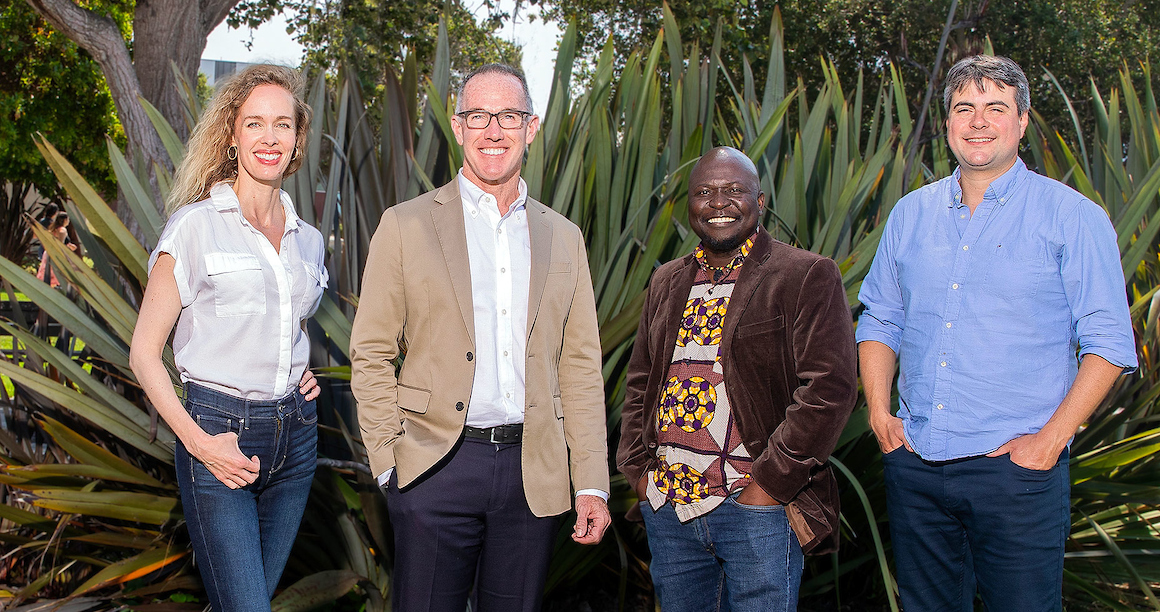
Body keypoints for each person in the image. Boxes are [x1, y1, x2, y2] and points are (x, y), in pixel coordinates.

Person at [856, 55, 1137, 611]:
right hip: (917, 463)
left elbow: (1108, 343)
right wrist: (879, 416)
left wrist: (1049, 443)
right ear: (948, 124)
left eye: (995, 107)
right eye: (965, 107)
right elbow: (881, 317)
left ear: (1023, 121)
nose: (978, 121)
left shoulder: (1073, 218)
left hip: (1016, 474)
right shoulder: (910, 215)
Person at [349, 63, 611, 612]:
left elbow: (580, 367)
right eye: (478, 115)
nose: (494, 129)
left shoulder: (565, 237)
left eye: (509, 115)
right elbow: (371, 352)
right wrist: (388, 461)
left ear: (531, 127)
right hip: (434, 467)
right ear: (457, 124)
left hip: (531, 473)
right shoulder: (406, 224)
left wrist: (591, 480)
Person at [616, 146, 857, 611]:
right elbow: (641, 382)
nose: (718, 202)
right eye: (704, 192)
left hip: (754, 510)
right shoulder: (666, 280)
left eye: (733, 191)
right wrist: (639, 472)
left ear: (760, 201)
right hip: (670, 507)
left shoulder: (804, 274)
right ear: (688, 206)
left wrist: (767, 487)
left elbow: (829, 388)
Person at [129, 65, 328, 612]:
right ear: (232, 135)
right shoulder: (194, 228)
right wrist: (200, 444)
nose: (270, 137)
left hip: (297, 438)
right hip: (218, 434)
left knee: (246, 602)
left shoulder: (308, 241)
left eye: (282, 125)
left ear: (297, 140)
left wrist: (295, 367)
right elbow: (144, 354)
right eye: (255, 123)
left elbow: (287, 321)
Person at [36, 211, 76, 288]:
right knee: (55, 275)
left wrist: (68, 245)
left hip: (48, 252)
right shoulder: (62, 230)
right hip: (56, 254)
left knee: (48, 275)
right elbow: (59, 244)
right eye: (68, 219)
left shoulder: (53, 228)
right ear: (65, 220)